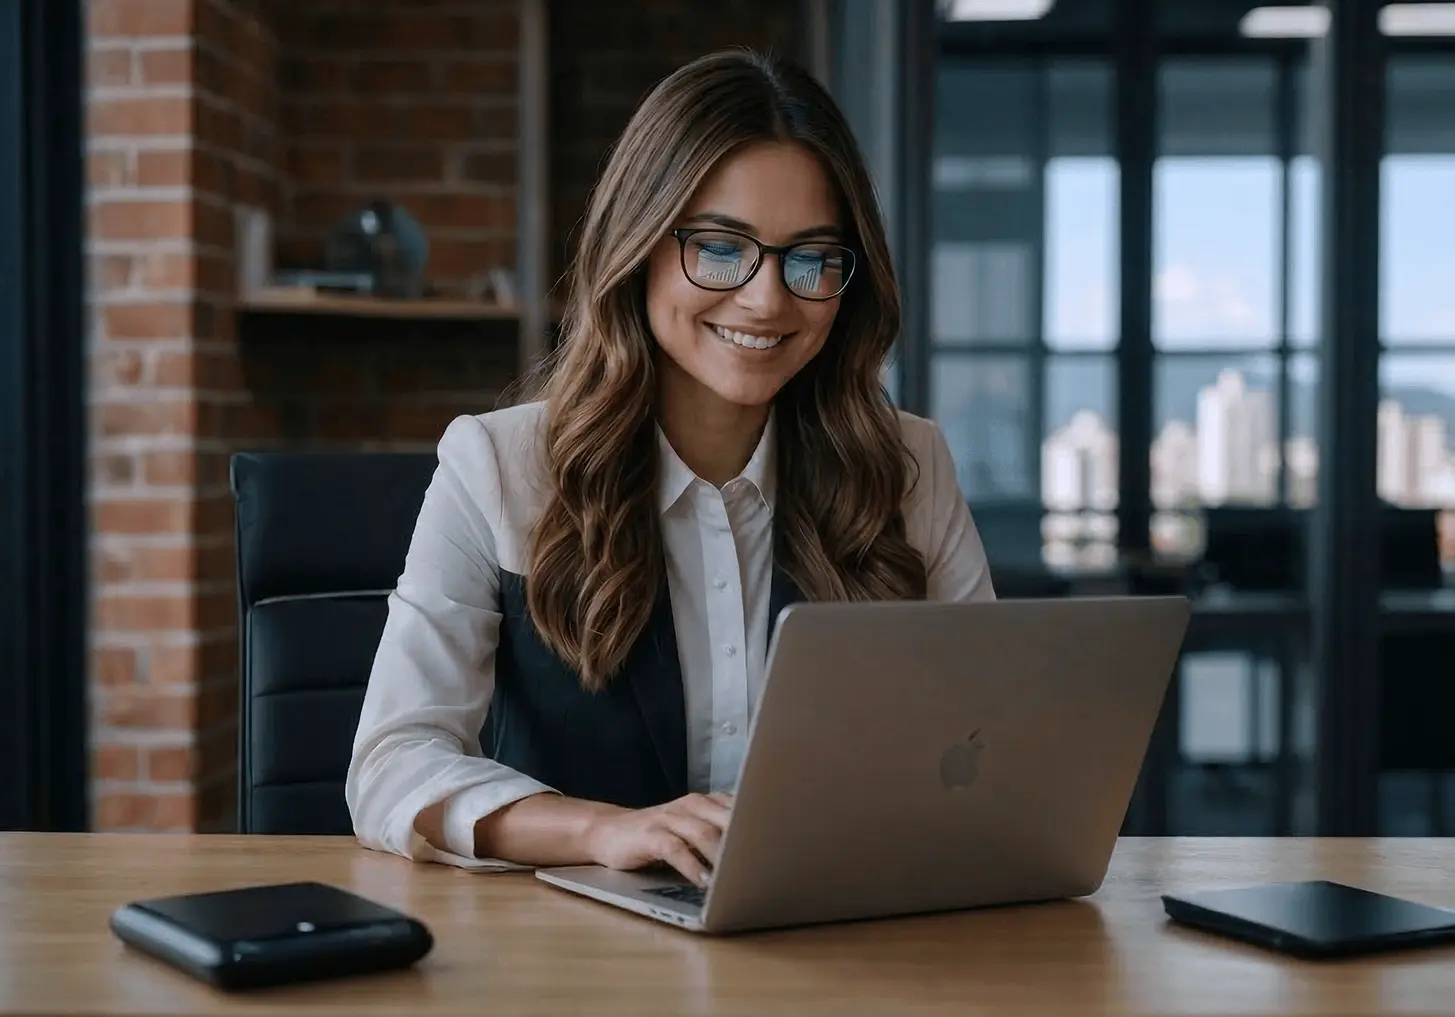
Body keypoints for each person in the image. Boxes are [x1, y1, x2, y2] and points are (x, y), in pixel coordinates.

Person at [345, 48, 995, 887]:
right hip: (571, 957)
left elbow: (990, 739)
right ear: (640, 246)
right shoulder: (497, 465)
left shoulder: (907, 463)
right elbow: (391, 764)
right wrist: (601, 829)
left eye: (811, 258)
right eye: (720, 248)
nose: (767, 299)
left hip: (840, 932)